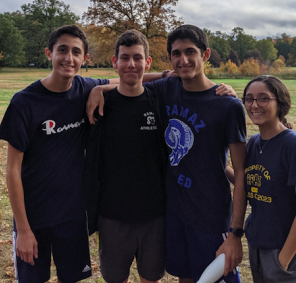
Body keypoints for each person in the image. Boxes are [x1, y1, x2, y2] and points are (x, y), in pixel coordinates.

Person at [87, 24, 246, 283]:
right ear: (170, 58)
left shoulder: (227, 105)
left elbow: (241, 174)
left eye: (190, 52)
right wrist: (100, 88)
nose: (184, 60)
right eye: (177, 53)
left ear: (205, 55)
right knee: (186, 277)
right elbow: (133, 81)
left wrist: (236, 233)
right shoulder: (167, 90)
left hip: (211, 217)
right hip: (175, 214)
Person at [0, 25, 117, 283]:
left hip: (72, 215)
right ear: (49, 53)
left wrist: (169, 74)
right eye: (62, 50)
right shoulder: (24, 102)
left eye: (76, 52)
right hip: (34, 217)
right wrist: (24, 230)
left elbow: (132, 77)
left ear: (85, 59)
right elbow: (12, 170)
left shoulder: (84, 88)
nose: (68, 58)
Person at [86, 29, 168, 283]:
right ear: (115, 62)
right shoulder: (100, 104)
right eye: (124, 58)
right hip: (112, 215)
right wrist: (100, 87)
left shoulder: (160, 100)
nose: (131, 64)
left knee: (151, 277)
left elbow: (190, 80)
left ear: (148, 62)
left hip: (154, 213)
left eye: (137, 58)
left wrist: (225, 89)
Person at [225, 75, 296, 282]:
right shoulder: (254, 143)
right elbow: (253, 184)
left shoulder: (295, 146)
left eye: (263, 98)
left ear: (280, 103)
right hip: (259, 247)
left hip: (289, 253)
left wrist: (283, 260)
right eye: (249, 99)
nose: (254, 105)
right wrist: (221, 165)